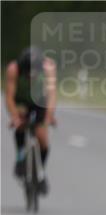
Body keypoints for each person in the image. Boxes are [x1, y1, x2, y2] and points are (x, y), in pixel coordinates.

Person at [5, 46, 57, 193]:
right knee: (21, 124)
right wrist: (15, 116)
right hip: (21, 100)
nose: (31, 76)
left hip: (40, 100)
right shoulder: (13, 69)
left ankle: (40, 173)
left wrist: (49, 116)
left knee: (42, 136)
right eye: (28, 73)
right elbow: (9, 97)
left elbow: (52, 95)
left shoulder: (48, 68)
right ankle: (20, 155)